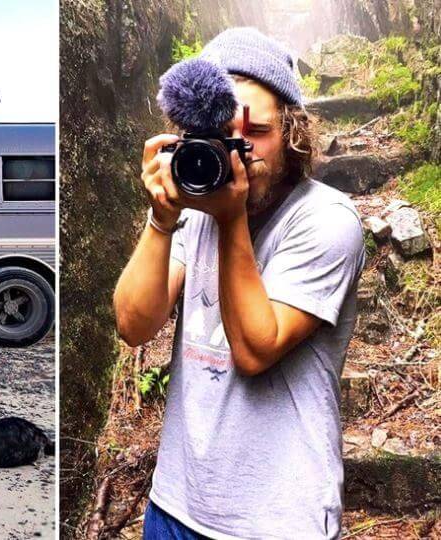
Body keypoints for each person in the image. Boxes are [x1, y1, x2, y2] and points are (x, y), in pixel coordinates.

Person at [113, 28, 365, 539]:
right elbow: (134, 325)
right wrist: (161, 218)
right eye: (223, 133)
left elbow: (255, 348)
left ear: (294, 131)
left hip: (278, 516)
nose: (241, 151)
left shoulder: (326, 219)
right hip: (176, 503)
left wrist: (230, 220)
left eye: (258, 131)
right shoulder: (198, 207)